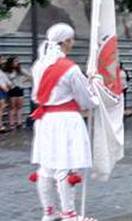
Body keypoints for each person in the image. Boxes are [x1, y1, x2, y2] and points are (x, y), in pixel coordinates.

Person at [29, 23, 99, 221]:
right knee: (65, 166)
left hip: (45, 120)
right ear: (66, 42)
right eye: (72, 39)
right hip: (66, 120)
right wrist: (96, 92)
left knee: (46, 168)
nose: (73, 43)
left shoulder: (39, 65)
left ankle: (48, 212)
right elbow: (86, 101)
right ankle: (69, 214)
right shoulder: (70, 69)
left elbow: (36, 95)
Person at [4, 56, 32, 129]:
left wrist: (23, 81)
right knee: (12, 107)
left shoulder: (20, 70)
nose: (17, 63)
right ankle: (12, 124)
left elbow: (30, 76)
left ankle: (19, 123)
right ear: (10, 63)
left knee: (19, 107)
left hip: (20, 89)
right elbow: (4, 80)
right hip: (11, 90)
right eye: (15, 61)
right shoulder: (7, 71)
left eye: (17, 61)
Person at [0, 56, 9, 132]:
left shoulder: (2, 70)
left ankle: (1, 125)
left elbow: (5, 79)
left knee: (2, 109)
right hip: (1, 90)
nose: (4, 61)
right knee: (1, 108)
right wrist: (3, 87)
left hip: (3, 90)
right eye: (2, 59)